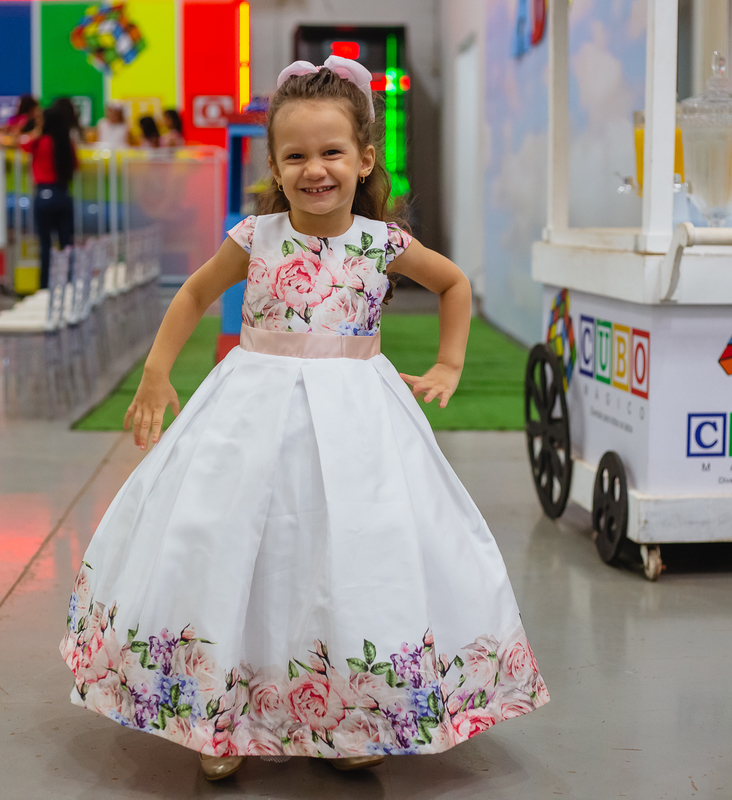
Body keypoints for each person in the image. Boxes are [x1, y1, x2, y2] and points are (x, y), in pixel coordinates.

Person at [59, 56, 548, 782]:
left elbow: (452, 283)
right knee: (230, 550)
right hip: (251, 410)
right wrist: (157, 372)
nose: (315, 170)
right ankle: (214, 716)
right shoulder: (254, 237)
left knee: (355, 555)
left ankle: (355, 713)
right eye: (296, 156)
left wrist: (449, 365)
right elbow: (193, 295)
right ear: (275, 165)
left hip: (358, 416)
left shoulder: (380, 244)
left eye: (331, 153)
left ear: (364, 158)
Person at [21, 102, 79, 287]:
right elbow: (76, 166)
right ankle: (68, 283)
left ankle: (45, 287)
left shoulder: (41, 141)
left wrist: (38, 128)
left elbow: (23, 144)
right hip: (63, 194)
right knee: (66, 245)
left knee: (46, 246)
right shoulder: (65, 142)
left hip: (44, 194)